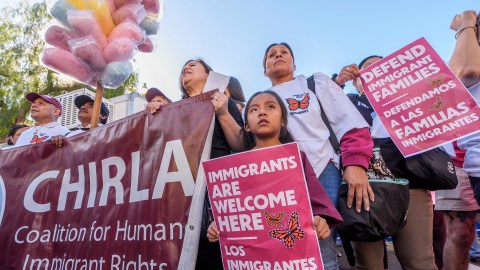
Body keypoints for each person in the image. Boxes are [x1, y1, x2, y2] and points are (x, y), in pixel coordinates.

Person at [262, 42, 374, 270]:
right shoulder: (259, 102)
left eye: (284, 52)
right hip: (279, 180)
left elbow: (350, 123)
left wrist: (355, 165)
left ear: (295, 64)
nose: (278, 55)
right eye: (272, 55)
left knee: (322, 251)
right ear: (264, 70)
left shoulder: (315, 83)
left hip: (323, 171)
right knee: (284, 249)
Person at [334, 55, 436, 269]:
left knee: (419, 261)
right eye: (367, 70)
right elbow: (323, 112)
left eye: (380, 67)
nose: (373, 72)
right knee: (368, 264)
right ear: (356, 80)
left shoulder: (411, 100)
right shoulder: (348, 102)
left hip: (411, 185)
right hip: (363, 188)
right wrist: (338, 83)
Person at [207, 90, 343, 243]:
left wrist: (321, 220)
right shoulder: (235, 166)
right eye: (254, 109)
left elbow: (316, 198)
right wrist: (217, 224)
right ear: (246, 126)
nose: (262, 112)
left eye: (270, 107)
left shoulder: (296, 158)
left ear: (283, 121)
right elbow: (228, 206)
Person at [148, 58, 244, 269]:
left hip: (213, 190)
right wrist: (156, 116)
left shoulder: (223, 101)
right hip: (178, 190)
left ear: (209, 75)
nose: (187, 67)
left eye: (193, 64)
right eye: (184, 66)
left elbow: (240, 144)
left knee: (211, 248)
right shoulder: (171, 109)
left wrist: (222, 113)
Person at [441, 10, 480, 270]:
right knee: (459, 232)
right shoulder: (468, 52)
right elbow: (464, 71)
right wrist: (465, 26)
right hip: (460, 161)